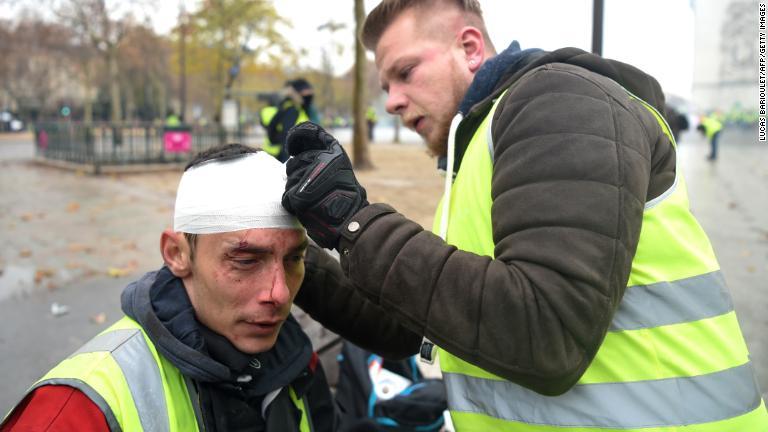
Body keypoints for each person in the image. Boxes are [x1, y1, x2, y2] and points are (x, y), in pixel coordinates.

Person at [280, 1, 768, 431]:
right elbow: (420, 326)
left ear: (470, 48)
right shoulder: (479, 150)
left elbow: (545, 333)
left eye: (405, 73)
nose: (390, 101)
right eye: (385, 84)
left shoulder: (560, 102)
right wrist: (287, 256)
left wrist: (355, 221)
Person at [1, 143, 420, 431]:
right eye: (245, 260)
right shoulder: (77, 409)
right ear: (176, 253)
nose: (278, 293)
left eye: (293, 259)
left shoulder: (295, 361)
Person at [263, 78, 316, 162]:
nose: (308, 97)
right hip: (285, 159)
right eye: (305, 93)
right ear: (296, 94)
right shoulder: (292, 110)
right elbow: (287, 138)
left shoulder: (295, 108)